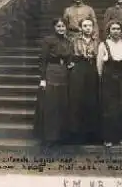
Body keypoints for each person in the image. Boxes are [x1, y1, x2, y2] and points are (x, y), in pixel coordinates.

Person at [35, 18, 73, 146]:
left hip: (64, 73)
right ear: (54, 27)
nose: (61, 28)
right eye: (58, 26)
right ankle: (50, 137)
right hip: (51, 71)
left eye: (63, 26)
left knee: (62, 104)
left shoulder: (68, 41)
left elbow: (69, 58)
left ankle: (61, 136)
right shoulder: (48, 40)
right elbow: (43, 60)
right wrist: (43, 79)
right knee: (51, 105)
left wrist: (70, 64)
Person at [97, 20, 122, 147]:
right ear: (109, 31)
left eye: (118, 28)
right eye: (113, 29)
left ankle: (121, 136)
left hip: (121, 80)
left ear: (121, 31)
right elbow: (99, 66)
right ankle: (108, 138)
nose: (116, 31)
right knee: (109, 109)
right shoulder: (103, 45)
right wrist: (101, 80)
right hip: (108, 80)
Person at [68, 18, 100, 144]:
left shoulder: (97, 41)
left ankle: (91, 134)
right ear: (80, 28)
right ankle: (77, 134)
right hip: (78, 70)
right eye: (85, 26)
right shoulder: (74, 41)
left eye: (90, 26)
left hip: (92, 70)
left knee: (91, 100)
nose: (87, 28)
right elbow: (70, 56)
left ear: (93, 28)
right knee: (77, 100)